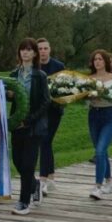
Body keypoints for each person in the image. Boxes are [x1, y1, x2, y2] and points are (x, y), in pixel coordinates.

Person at [8, 38, 51, 214]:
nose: (25, 52)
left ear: (34, 54)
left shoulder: (39, 76)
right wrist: (8, 95)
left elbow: (45, 102)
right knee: (17, 161)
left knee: (28, 164)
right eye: (22, 49)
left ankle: (24, 202)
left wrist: (30, 119)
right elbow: (8, 97)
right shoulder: (13, 75)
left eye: (29, 50)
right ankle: (35, 185)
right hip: (17, 125)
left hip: (34, 127)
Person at [86, 49, 112, 199]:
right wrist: (87, 97)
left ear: (106, 61)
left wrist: (104, 95)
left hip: (109, 116)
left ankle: (97, 186)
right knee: (101, 150)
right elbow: (85, 102)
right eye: (95, 59)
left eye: (100, 59)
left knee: (100, 151)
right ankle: (109, 181)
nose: (98, 61)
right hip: (94, 116)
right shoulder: (89, 79)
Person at [36, 38, 65, 195]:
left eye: (45, 48)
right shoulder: (34, 66)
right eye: (40, 49)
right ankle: (51, 177)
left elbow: (65, 88)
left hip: (54, 110)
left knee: (45, 141)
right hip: (39, 111)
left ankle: (43, 180)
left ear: (50, 49)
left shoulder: (58, 66)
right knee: (46, 143)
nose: (42, 51)